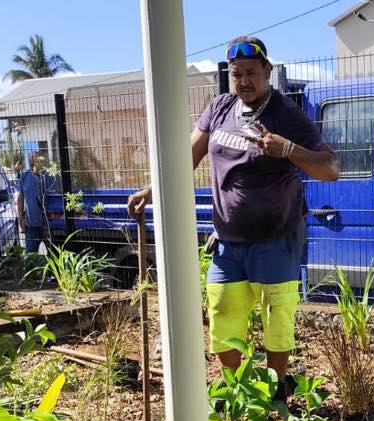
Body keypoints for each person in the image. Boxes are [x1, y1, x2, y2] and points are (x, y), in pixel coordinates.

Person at [129, 36, 339, 396]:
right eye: (237, 74)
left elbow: (331, 168)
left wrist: (287, 149)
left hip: (276, 238)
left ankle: (276, 393)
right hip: (228, 241)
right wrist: (153, 189)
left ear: (267, 71)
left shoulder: (285, 114)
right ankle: (240, 392)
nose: (243, 81)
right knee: (223, 312)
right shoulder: (220, 107)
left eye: (251, 73)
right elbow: (187, 157)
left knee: (276, 319)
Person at [17, 151, 49, 253]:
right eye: (31, 159)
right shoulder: (25, 176)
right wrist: (21, 218)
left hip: (47, 224)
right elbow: (20, 198)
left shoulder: (46, 176)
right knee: (31, 256)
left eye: (35, 159)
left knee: (51, 255)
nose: (32, 161)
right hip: (30, 224)